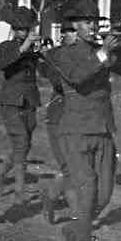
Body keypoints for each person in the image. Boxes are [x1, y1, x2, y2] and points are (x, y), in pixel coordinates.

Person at [44, 0, 121, 241]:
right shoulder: (62, 54)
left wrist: (120, 46)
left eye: (95, 23)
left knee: (105, 194)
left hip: (103, 130)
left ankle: (74, 229)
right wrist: (102, 53)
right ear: (74, 25)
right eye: (87, 23)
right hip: (74, 130)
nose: (92, 27)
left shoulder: (101, 51)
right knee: (87, 194)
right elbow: (76, 76)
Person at [0, 6, 44, 204]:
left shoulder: (32, 49)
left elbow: (44, 70)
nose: (26, 32)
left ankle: (1, 170)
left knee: (24, 143)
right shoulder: (6, 46)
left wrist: (43, 52)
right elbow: (3, 64)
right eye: (22, 29)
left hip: (30, 100)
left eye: (28, 28)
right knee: (21, 140)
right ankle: (19, 191)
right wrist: (24, 48)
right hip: (11, 101)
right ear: (15, 29)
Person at [38, 18, 76, 224]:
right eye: (72, 32)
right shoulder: (55, 55)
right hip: (59, 117)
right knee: (70, 167)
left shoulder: (86, 54)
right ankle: (74, 213)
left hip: (83, 119)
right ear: (63, 34)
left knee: (79, 167)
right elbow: (58, 80)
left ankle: (52, 194)